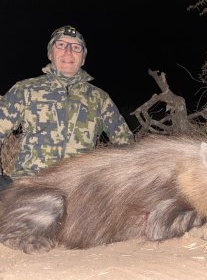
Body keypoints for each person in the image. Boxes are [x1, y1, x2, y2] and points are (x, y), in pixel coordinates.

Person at [0, 25, 133, 186]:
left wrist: (110, 178)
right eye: (61, 45)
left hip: (79, 187)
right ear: (50, 53)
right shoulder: (25, 89)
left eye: (76, 47)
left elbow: (126, 144)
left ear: (83, 58)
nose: (68, 52)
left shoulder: (99, 98)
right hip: (31, 183)